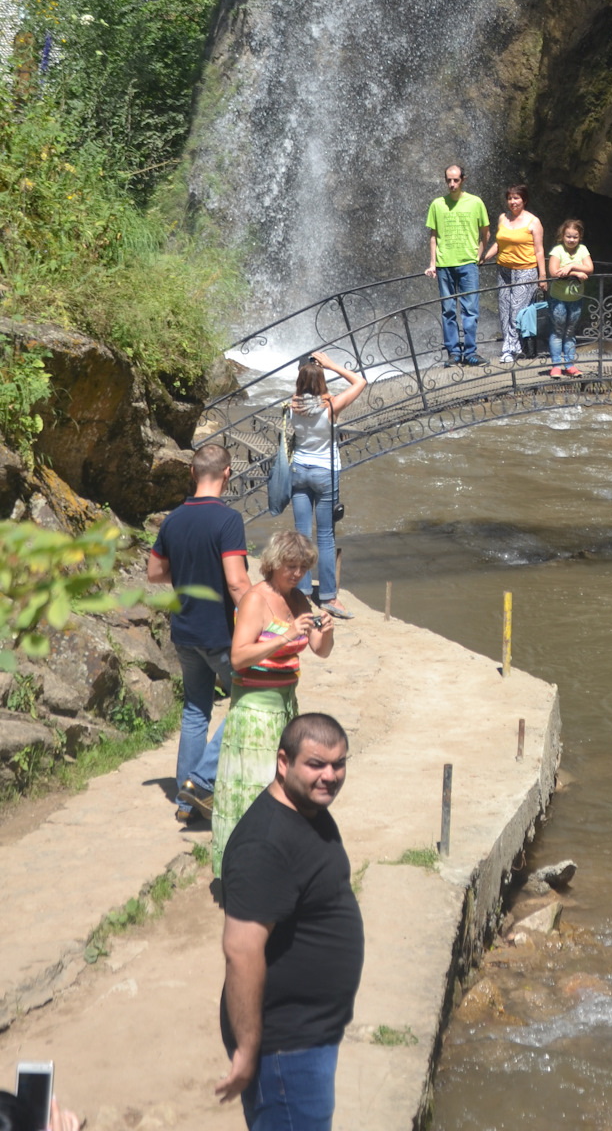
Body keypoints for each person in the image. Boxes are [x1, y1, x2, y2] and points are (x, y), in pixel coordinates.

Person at [216, 712, 364, 1131]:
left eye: (339, 764)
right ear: (283, 762)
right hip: (284, 1050)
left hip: (310, 1037)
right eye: (316, 764)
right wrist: (247, 1049)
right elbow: (241, 950)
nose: (330, 776)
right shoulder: (263, 844)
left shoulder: (309, 812)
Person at [211, 530, 334, 880]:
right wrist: (283, 637)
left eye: (302, 567)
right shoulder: (255, 599)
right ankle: (245, 873)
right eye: (290, 566)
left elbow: (320, 650)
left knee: (284, 792)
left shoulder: (298, 600)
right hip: (254, 713)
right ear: (274, 563)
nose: (296, 574)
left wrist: (326, 631)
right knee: (255, 790)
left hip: (285, 710)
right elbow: (238, 658)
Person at [148, 441, 251, 823]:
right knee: (248, 702)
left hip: (185, 632)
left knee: (195, 712)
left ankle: (187, 803)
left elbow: (155, 572)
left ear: (192, 473)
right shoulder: (228, 520)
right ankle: (200, 782)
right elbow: (237, 582)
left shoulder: (173, 519)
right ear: (228, 473)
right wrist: (265, 619)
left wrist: (192, 572)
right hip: (221, 635)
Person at [289, 352, 366, 620]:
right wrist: (332, 365)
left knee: (302, 535)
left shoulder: (292, 406)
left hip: (298, 472)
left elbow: (305, 390)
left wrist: (308, 373)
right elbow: (360, 382)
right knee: (325, 536)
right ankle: (330, 597)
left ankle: (301, 592)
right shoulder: (331, 407)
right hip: (324, 473)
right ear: (322, 381)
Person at [425, 164, 490, 365]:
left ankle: (470, 353)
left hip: (467, 264)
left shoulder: (475, 202)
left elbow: (486, 232)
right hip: (444, 265)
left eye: (456, 180)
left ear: (463, 179)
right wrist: (432, 263)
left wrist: (478, 256)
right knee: (448, 310)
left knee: (470, 309)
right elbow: (433, 236)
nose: (452, 184)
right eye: (448, 180)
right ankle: (453, 353)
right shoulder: (437, 204)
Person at [483, 183, 546, 363]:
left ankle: (511, 348)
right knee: (504, 308)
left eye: (516, 198)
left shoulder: (534, 222)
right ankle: (515, 347)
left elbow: (539, 250)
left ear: (524, 200)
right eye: (510, 198)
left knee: (516, 310)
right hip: (504, 269)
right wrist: (484, 258)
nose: (513, 201)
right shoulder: (503, 218)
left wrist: (542, 275)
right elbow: (498, 243)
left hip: (526, 270)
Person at [547, 219, 593, 377]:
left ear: (580, 237)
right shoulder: (557, 251)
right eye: (568, 236)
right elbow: (554, 272)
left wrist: (571, 266)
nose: (571, 240)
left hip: (576, 299)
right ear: (562, 236)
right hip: (558, 299)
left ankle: (570, 365)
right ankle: (556, 366)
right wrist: (575, 273)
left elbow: (590, 268)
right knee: (558, 331)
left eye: (575, 237)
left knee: (570, 332)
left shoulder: (582, 250)